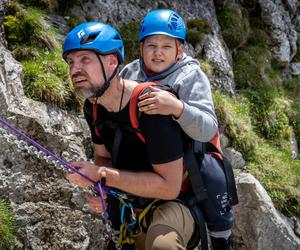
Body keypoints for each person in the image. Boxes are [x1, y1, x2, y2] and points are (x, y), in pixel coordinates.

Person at [62, 22, 195, 250]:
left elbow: (169, 187)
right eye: (71, 62)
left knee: (162, 245)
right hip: (129, 205)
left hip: (175, 204)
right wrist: (101, 189)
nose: (75, 70)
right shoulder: (93, 107)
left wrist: (101, 175)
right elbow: (103, 156)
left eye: (85, 59)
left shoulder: (150, 106)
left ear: (112, 61)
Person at [120, 9, 234, 250]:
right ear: (141, 48)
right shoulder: (130, 72)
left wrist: (177, 108)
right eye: (151, 45)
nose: (158, 52)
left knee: (212, 171)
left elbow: (207, 128)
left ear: (179, 50)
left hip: (186, 169)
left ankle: (221, 236)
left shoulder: (190, 76)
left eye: (166, 46)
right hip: (143, 165)